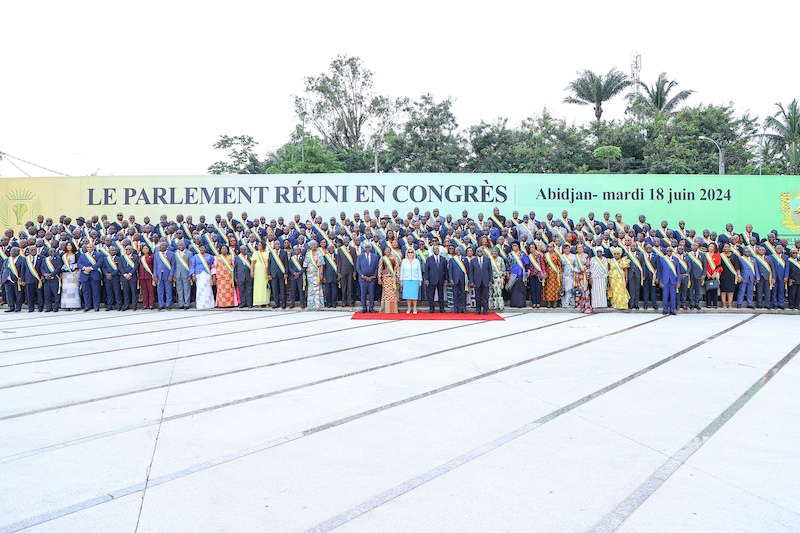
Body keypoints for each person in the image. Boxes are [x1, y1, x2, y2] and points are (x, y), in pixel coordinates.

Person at [78, 242, 103, 312]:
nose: (89, 248)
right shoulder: (82, 255)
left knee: (96, 292)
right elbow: (79, 264)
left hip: (94, 275)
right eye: (88, 247)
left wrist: (90, 268)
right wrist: (84, 268)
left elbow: (99, 263)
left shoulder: (98, 254)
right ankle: (87, 306)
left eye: (90, 247)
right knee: (86, 292)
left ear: (93, 247)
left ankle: (96, 306)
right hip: (85, 275)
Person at [656, 246, 681, 315]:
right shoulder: (662, 259)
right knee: (665, 295)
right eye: (667, 251)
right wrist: (660, 280)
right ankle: (665, 309)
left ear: (672, 252)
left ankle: (672, 309)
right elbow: (660, 271)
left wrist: (678, 281)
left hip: (673, 280)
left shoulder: (676, 259)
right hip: (665, 280)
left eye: (670, 251)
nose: (669, 252)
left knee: (673, 296)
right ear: (666, 252)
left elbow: (678, 271)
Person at [190, 244, 215, 310]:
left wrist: (213, 274)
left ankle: (209, 304)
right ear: (199, 249)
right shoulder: (195, 257)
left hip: (207, 274)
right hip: (199, 275)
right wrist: (193, 274)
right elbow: (192, 266)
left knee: (208, 289)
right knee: (200, 289)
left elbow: (213, 265)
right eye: (201, 248)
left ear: (205, 248)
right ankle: (201, 305)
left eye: (203, 248)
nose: (202, 249)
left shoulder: (210, 257)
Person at [425, 244, 448, 314]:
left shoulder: (443, 259)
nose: (436, 250)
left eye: (437, 249)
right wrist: (426, 279)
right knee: (431, 295)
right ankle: (432, 308)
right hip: (432, 279)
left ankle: (442, 309)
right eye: (435, 249)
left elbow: (445, 270)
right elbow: (427, 270)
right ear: (433, 250)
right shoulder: (429, 259)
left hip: (441, 280)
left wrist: (446, 279)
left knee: (441, 295)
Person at [470, 246, 492, 315]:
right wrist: (471, 281)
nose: (479, 252)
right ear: (476, 253)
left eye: (481, 251)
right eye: (478, 251)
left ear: (483, 252)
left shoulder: (487, 260)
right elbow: (471, 272)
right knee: (477, 296)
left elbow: (490, 271)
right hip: (477, 281)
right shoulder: (473, 260)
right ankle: (478, 310)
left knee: (485, 296)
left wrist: (490, 281)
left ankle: (485, 310)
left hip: (485, 280)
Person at [303, 240, 325, 310]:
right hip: (309, 274)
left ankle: (318, 304)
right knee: (311, 289)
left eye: (314, 244)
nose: (313, 246)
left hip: (317, 273)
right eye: (312, 245)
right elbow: (305, 264)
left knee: (317, 288)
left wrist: (321, 273)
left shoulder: (319, 253)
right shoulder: (307, 253)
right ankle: (311, 304)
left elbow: (321, 264)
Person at [153, 242, 175, 311]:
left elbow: (173, 265)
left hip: (167, 274)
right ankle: (161, 304)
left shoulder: (171, 254)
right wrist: (155, 275)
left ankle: (168, 304)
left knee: (168, 290)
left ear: (166, 247)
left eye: (162, 246)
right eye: (160, 246)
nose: (161, 247)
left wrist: (171, 275)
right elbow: (155, 265)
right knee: (160, 290)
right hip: (159, 275)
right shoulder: (157, 254)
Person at [356, 242, 378, 313]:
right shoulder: (360, 256)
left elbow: (377, 268)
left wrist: (373, 276)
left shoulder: (375, 256)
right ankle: (364, 308)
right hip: (363, 279)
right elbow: (358, 268)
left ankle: (371, 308)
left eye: (368, 247)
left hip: (372, 278)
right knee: (363, 294)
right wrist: (362, 276)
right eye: (366, 247)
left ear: (371, 248)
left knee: (371, 294)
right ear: (364, 248)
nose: (367, 248)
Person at [2, 247, 25, 312]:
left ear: (17, 252)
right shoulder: (7, 259)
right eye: (11, 251)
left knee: (18, 294)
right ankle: (11, 306)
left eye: (13, 252)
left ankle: (18, 307)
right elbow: (3, 269)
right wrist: (1, 277)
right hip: (7, 279)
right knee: (9, 294)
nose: (11, 253)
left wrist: (22, 280)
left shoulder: (22, 259)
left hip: (17, 280)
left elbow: (23, 270)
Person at [377, 246, 400, 314]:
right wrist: (379, 277)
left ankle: (393, 309)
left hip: (393, 278)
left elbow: (397, 267)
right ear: (384, 251)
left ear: (390, 251)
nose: (387, 251)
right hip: (385, 278)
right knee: (386, 294)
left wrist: (398, 277)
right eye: (386, 250)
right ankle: (386, 309)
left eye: (388, 250)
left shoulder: (394, 258)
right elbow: (380, 268)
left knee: (393, 294)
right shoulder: (382, 258)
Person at [718, 243, 740, 309]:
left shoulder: (734, 256)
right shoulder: (721, 256)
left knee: (731, 290)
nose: (726, 248)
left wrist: (739, 275)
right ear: (723, 248)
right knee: (723, 290)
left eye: (728, 247)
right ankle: (724, 304)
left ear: (730, 248)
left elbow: (737, 267)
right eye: (725, 247)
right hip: (723, 275)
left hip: (732, 275)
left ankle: (730, 304)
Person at [60, 241, 81, 310]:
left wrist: (76, 271)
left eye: (70, 245)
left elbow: (78, 263)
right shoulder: (63, 254)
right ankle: (67, 305)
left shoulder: (76, 254)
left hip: (74, 273)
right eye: (67, 245)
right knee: (66, 290)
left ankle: (74, 305)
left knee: (73, 289)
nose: (68, 246)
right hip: (65, 274)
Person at [507, 242, 530, 308]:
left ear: (518, 246)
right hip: (513, 273)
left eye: (515, 245)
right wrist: (508, 272)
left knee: (521, 288)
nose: (514, 247)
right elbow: (507, 264)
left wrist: (527, 271)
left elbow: (526, 264)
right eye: (513, 245)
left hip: (521, 273)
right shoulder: (510, 254)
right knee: (513, 288)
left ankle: (521, 303)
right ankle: (514, 303)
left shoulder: (522, 254)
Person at [400, 248, 422, 314]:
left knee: (414, 295)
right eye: (409, 252)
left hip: (415, 279)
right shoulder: (404, 261)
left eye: (411, 252)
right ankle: (409, 307)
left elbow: (419, 271)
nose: (410, 253)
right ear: (407, 253)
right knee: (408, 295)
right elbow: (402, 271)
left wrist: (420, 280)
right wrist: (401, 280)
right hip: (406, 279)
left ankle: (415, 307)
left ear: (414, 253)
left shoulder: (417, 261)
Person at [173, 240, 194, 309]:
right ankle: (181, 303)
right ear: (177, 246)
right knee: (179, 289)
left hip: (186, 273)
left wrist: (190, 274)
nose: (181, 246)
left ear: (185, 246)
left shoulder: (189, 253)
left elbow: (191, 265)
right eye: (179, 245)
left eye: (182, 245)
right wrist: (174, 275)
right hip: (178, 274)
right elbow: (174, 265)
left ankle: (187, 303)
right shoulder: (176, 253)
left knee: (187, 289)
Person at [268, 240, 289, 309]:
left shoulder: (284, 253)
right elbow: (269, 264)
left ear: (280, 245)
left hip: (281, 274)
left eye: (278, 244)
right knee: (275, 289)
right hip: (273, 274)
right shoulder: (271, 253)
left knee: (282, 289)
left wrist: (286, 273)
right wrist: (269, 274)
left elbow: (286, 264)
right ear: (274, 245)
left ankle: (283, 303)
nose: (277, 245)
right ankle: (276, 303)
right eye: (276, 244)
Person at [23, 246, 44, 312]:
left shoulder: (42, 258)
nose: (33, 251)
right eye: (31, 250)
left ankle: (40, 308)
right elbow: (22, 270)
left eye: (34, 250)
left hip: (39, 279)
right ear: (29, 251)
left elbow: (43, 268)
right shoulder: (26, 259)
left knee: (40, 294)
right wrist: (23, 280)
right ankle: (31, 308)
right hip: (28, 279)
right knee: (29, 294)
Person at [41, 247, 63, 312]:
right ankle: (49, 307)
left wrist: (51, 274)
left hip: (55, 279)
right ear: (48, 252)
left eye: (53, 251)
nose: (52, 252)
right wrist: (45, 274)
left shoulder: (58, 259)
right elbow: (42, 268)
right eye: (51, 251)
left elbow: (58, 268)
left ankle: (56, 307)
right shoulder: (45, 260)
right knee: (47, 294)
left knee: (56, 294)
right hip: (46, 280)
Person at [101, 246, 122, 311]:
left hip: (115, 278)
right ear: (108, 251)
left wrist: (112, 274)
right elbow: (103, 268)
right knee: (109, 293)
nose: (112, 251)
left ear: (115, 251)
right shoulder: (105, 258)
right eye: (111, 250)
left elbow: (119, 268)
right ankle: (109, 305)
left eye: (113, 250)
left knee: (117, 292)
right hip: (107, 278)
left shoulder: (118, 258)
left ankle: (119, 305)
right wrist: (106, 274)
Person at [448, 248, 469, 313]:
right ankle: (456, 308)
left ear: (461, 251)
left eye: (459, 250)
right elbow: (450, 270)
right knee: (455, 294)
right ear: (455, 251)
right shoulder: (452, 259)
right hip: (455, 280)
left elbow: (467, 269)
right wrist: (451, 279)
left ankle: (464, 308)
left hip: (463, 279)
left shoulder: (465, 259)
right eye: (457, 250)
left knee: (463, 294)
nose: (458, 251)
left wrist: (468, 279)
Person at [336, 239, 355, 308]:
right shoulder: (340, 250)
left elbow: (354, 260)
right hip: (342, 271)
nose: (346, 242)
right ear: (343, 242)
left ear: (349, 242)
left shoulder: (352, 249)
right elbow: (338, 261)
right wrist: (338, 272)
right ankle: (344, 301)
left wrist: (354, 271)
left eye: (347, 241)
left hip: (350, 271)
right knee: (343, 287)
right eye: (344, 241)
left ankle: (350, 301)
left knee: (350, 287)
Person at [250, 241, 270, 308]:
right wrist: (252, 272)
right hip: (258, 272)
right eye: (258, 245)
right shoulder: (256, 253)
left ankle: (266, 302)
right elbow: (252, 263)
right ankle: (258, 302)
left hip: (266, 271)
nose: (258, 246)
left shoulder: (268, 252)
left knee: (266, 287)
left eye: (260, 245)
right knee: (258, 286)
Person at [542, 242, 562, 308]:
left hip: (555, 274)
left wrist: (560, 274)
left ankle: (555, 303)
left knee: (555, 288)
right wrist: (544, 273)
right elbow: (543, 265)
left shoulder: (557, 255)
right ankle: (548, 303)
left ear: (553, 248)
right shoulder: (545, 255)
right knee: (548, 288)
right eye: (548, 247)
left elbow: (559, 265)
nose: (549, 248)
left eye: (551, 247)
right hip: (548, 274)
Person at [574, 243, 592, 314]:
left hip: (584, 275)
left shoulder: (586, 256)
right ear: (576, 249)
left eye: (581, 248)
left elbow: (588, 265)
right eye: (578, 248)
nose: (580, 249)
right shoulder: (575, 257)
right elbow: (574, 266)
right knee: (579, 290)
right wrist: (576, 275)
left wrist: (587, 274)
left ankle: (586, 306)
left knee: (585, 290)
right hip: (578, 275)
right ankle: (579, 305)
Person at [527, 243, 546, 309]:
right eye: (530, 247)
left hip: (538, 274)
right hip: (532, 274)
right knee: (532, 289)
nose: (531, 248)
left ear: (535, 248)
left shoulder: (539, 255)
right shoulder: (529, 256)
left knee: (538, 288)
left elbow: (542, 264)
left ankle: (538, 302)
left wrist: (544, 273)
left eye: (532, 247)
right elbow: (527, 265)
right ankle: (534, 302)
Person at [138, 244, 156, 309]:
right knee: (144, 291)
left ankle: (151, 304)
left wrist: (154, 274)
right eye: (144, 248)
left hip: (150, 276)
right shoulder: (140, 257)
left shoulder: (152, 256)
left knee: (151, 290)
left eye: (146, 248)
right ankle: (145, 304)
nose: (145, 250)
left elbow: (154, 265)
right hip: (142, 276)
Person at [488, 246, 507, 310]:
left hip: (498, 278)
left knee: (498, 292)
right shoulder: (489, 259)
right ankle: (492, 306)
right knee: (491, 292)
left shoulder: (500, 259)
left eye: (495, 251)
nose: (494, 252)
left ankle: (499, 305)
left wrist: (503, 276)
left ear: (498, 252)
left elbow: (503, 269)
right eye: (493, 251)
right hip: (490, 278)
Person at [705, 242, 722, 308]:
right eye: (709, 246)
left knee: (714, 289)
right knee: (708, 289)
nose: (710, 248)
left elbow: (718, 265)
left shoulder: (717, 255)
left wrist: (715, 273)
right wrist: (707, 274)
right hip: (708, 274)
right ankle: (708, 304)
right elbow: (704, 265)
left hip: (715, 274)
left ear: (715, 248)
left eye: (712, 246)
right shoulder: (706, 255)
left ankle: (715, 304)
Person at [560, 243, 577, 308]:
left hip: (572, 275)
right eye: (565, 248)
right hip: (565, 275)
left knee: (571, 288)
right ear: (563, 250)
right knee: (565, 289)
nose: (567, 249)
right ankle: (565, 303)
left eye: (568, 248)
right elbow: (560, 267)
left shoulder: (574, 256)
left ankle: (572, 303)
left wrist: (575, 273)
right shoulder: (561, 257)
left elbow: (576, 265)